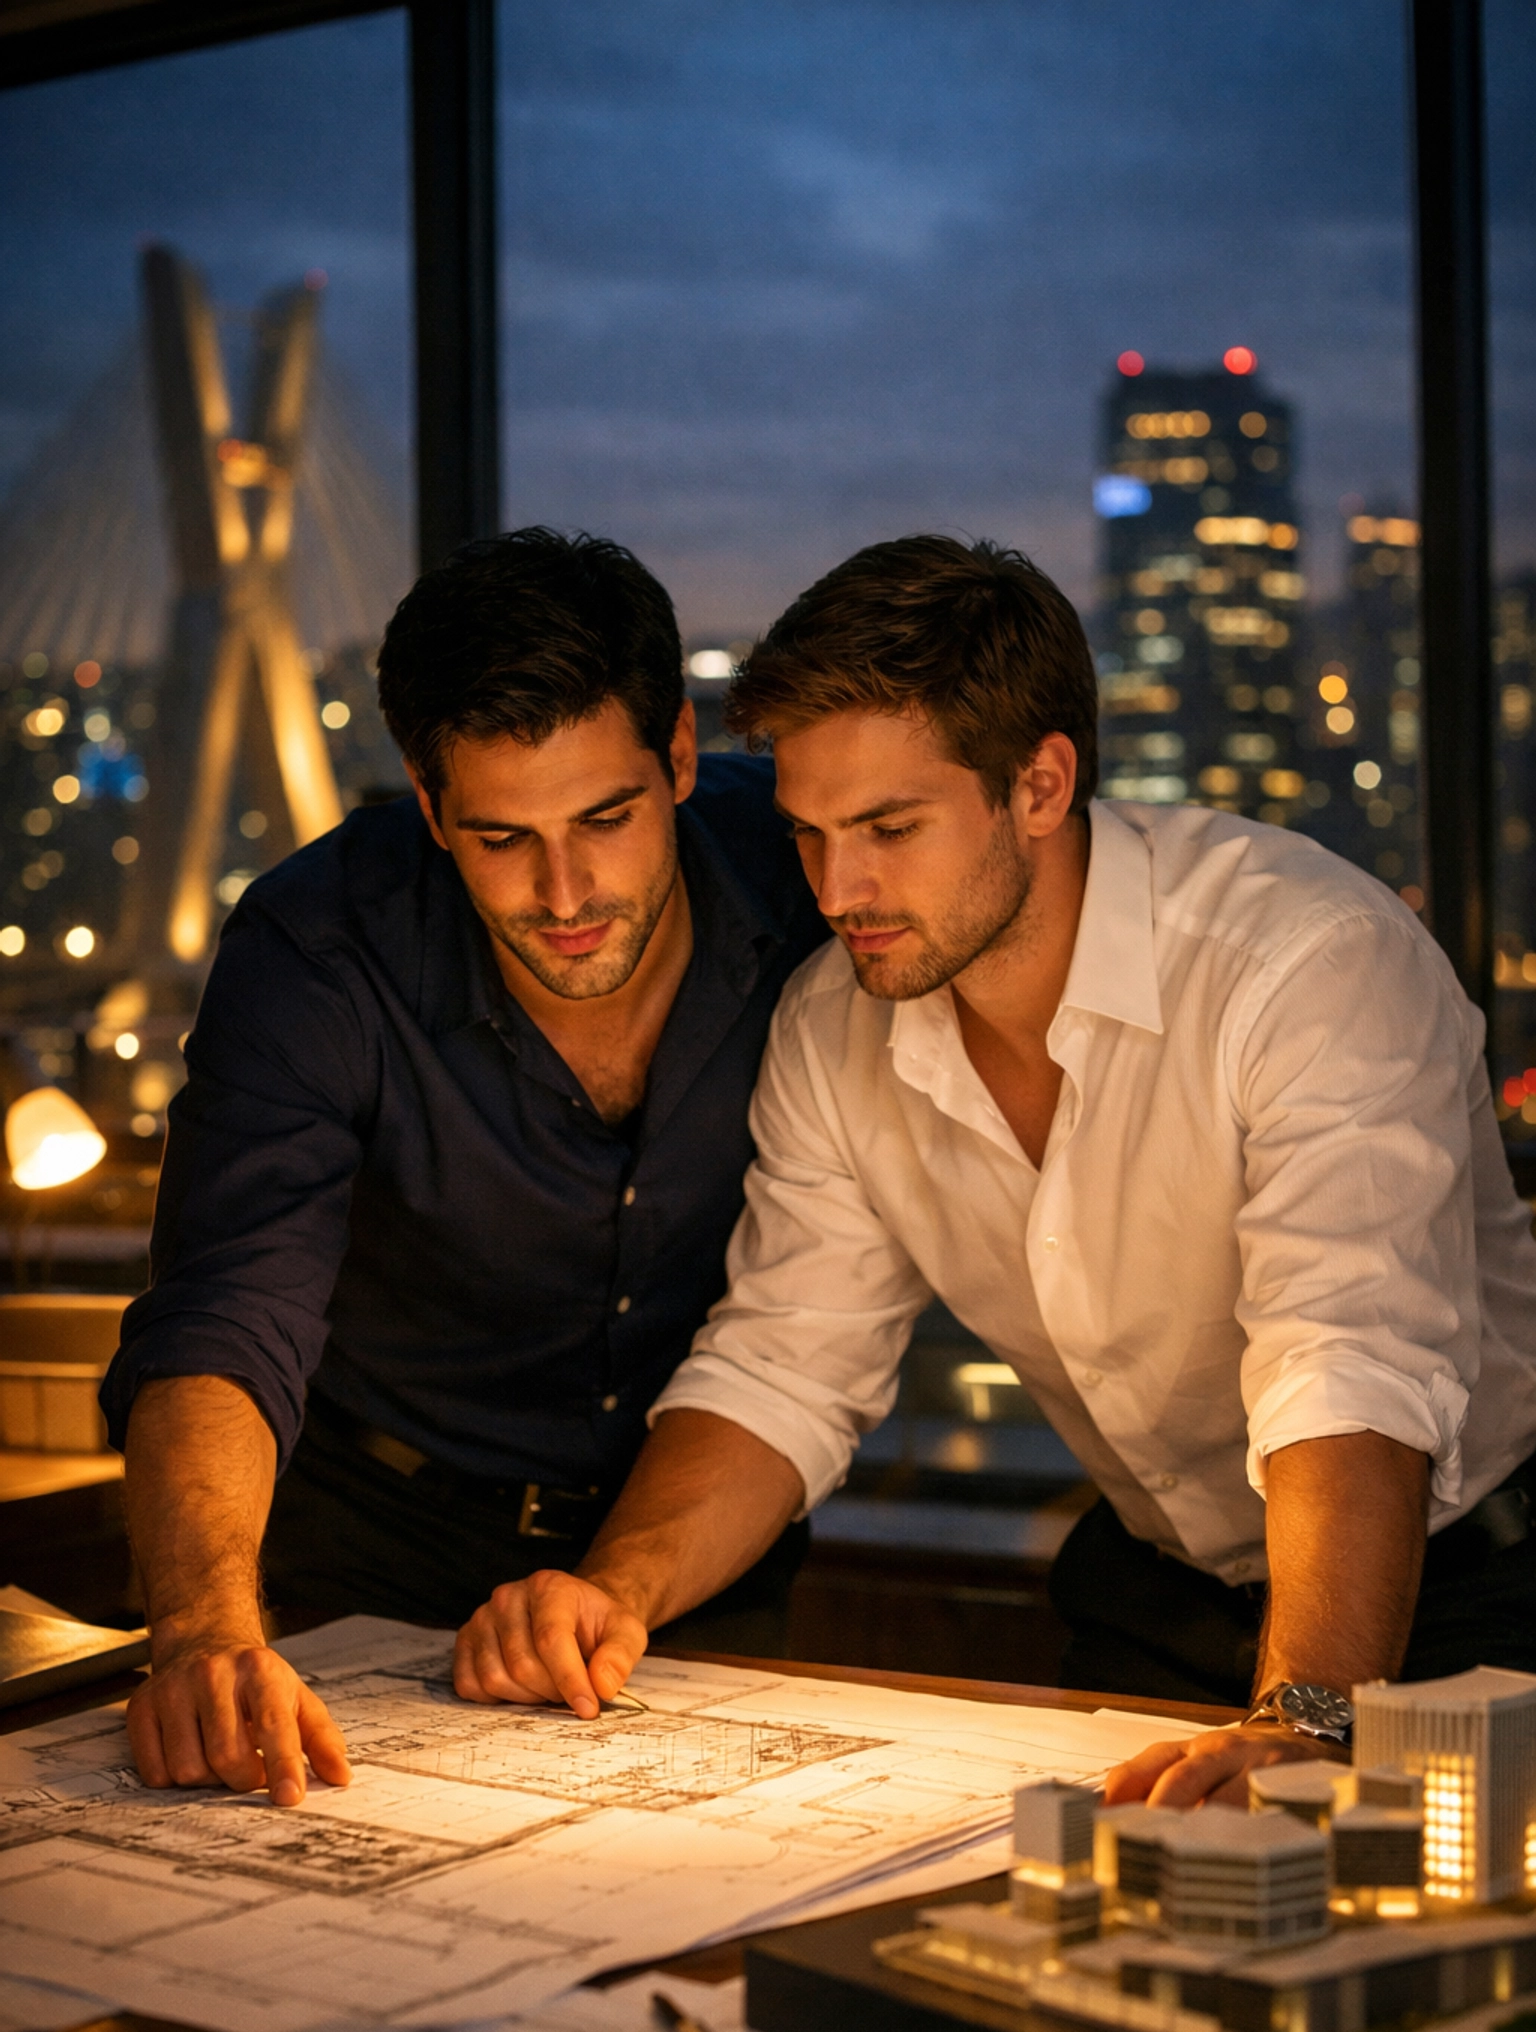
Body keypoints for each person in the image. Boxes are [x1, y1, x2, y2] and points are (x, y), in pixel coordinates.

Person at [459, 534, 1536, 1809]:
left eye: (889, 828)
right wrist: (615, 1590)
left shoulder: (1305, 963)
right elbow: (783, 1364)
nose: (838, 888)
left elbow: (1347, 1364)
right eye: (806, 833)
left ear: (1038, 785)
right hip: (1162, 1594)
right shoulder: (832, 1022)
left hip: (1476, 1596)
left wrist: (1305, 1721)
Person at [104, 528, 824, 1806]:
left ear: (680, 758)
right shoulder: (322, 946)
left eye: (607, 816)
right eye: (500, 838)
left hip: (697, 1543)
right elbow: (227, 1311)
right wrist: (208, 1634)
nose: (566, 891)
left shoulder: (807, 880)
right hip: (371, 1548)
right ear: (429, 810)